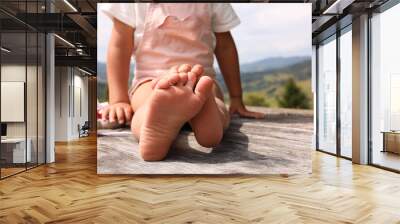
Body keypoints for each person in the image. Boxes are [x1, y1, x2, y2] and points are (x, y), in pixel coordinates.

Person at [101, 3, 265, 161]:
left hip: (175, 81)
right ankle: (207, 116)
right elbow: (225, 47)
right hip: (168, 81)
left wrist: (236, 97)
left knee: (147, 107)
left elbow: (119, 46)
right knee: (214, 102)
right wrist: (118, 100)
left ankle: (153, 123)